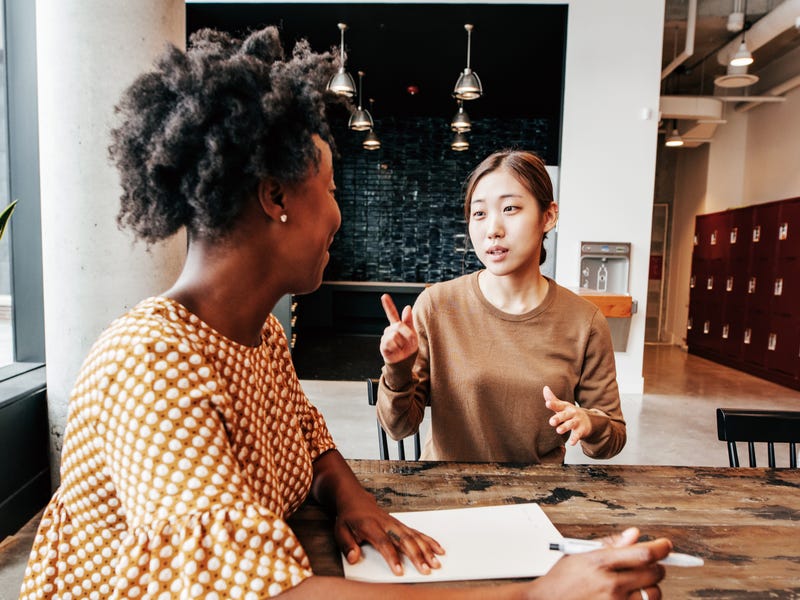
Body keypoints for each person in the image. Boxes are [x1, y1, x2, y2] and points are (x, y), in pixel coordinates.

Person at [20, 27, 669, 599]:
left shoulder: (261, 338)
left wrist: (352, 498)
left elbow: (311, 442)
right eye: (330, 190)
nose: (339, 213)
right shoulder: (151, 361)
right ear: (276, 197)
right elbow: (274, 594)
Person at [377, 150, 626, 464]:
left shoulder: (584, 321)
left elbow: (613, 435)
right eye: (479, 213)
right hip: (448, 494)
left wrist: (589, 423)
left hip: (537, 497)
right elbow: (398, 427)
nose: (492, 228)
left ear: (548, 216)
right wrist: (397, 369)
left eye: (510, 208)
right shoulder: (437, 306)